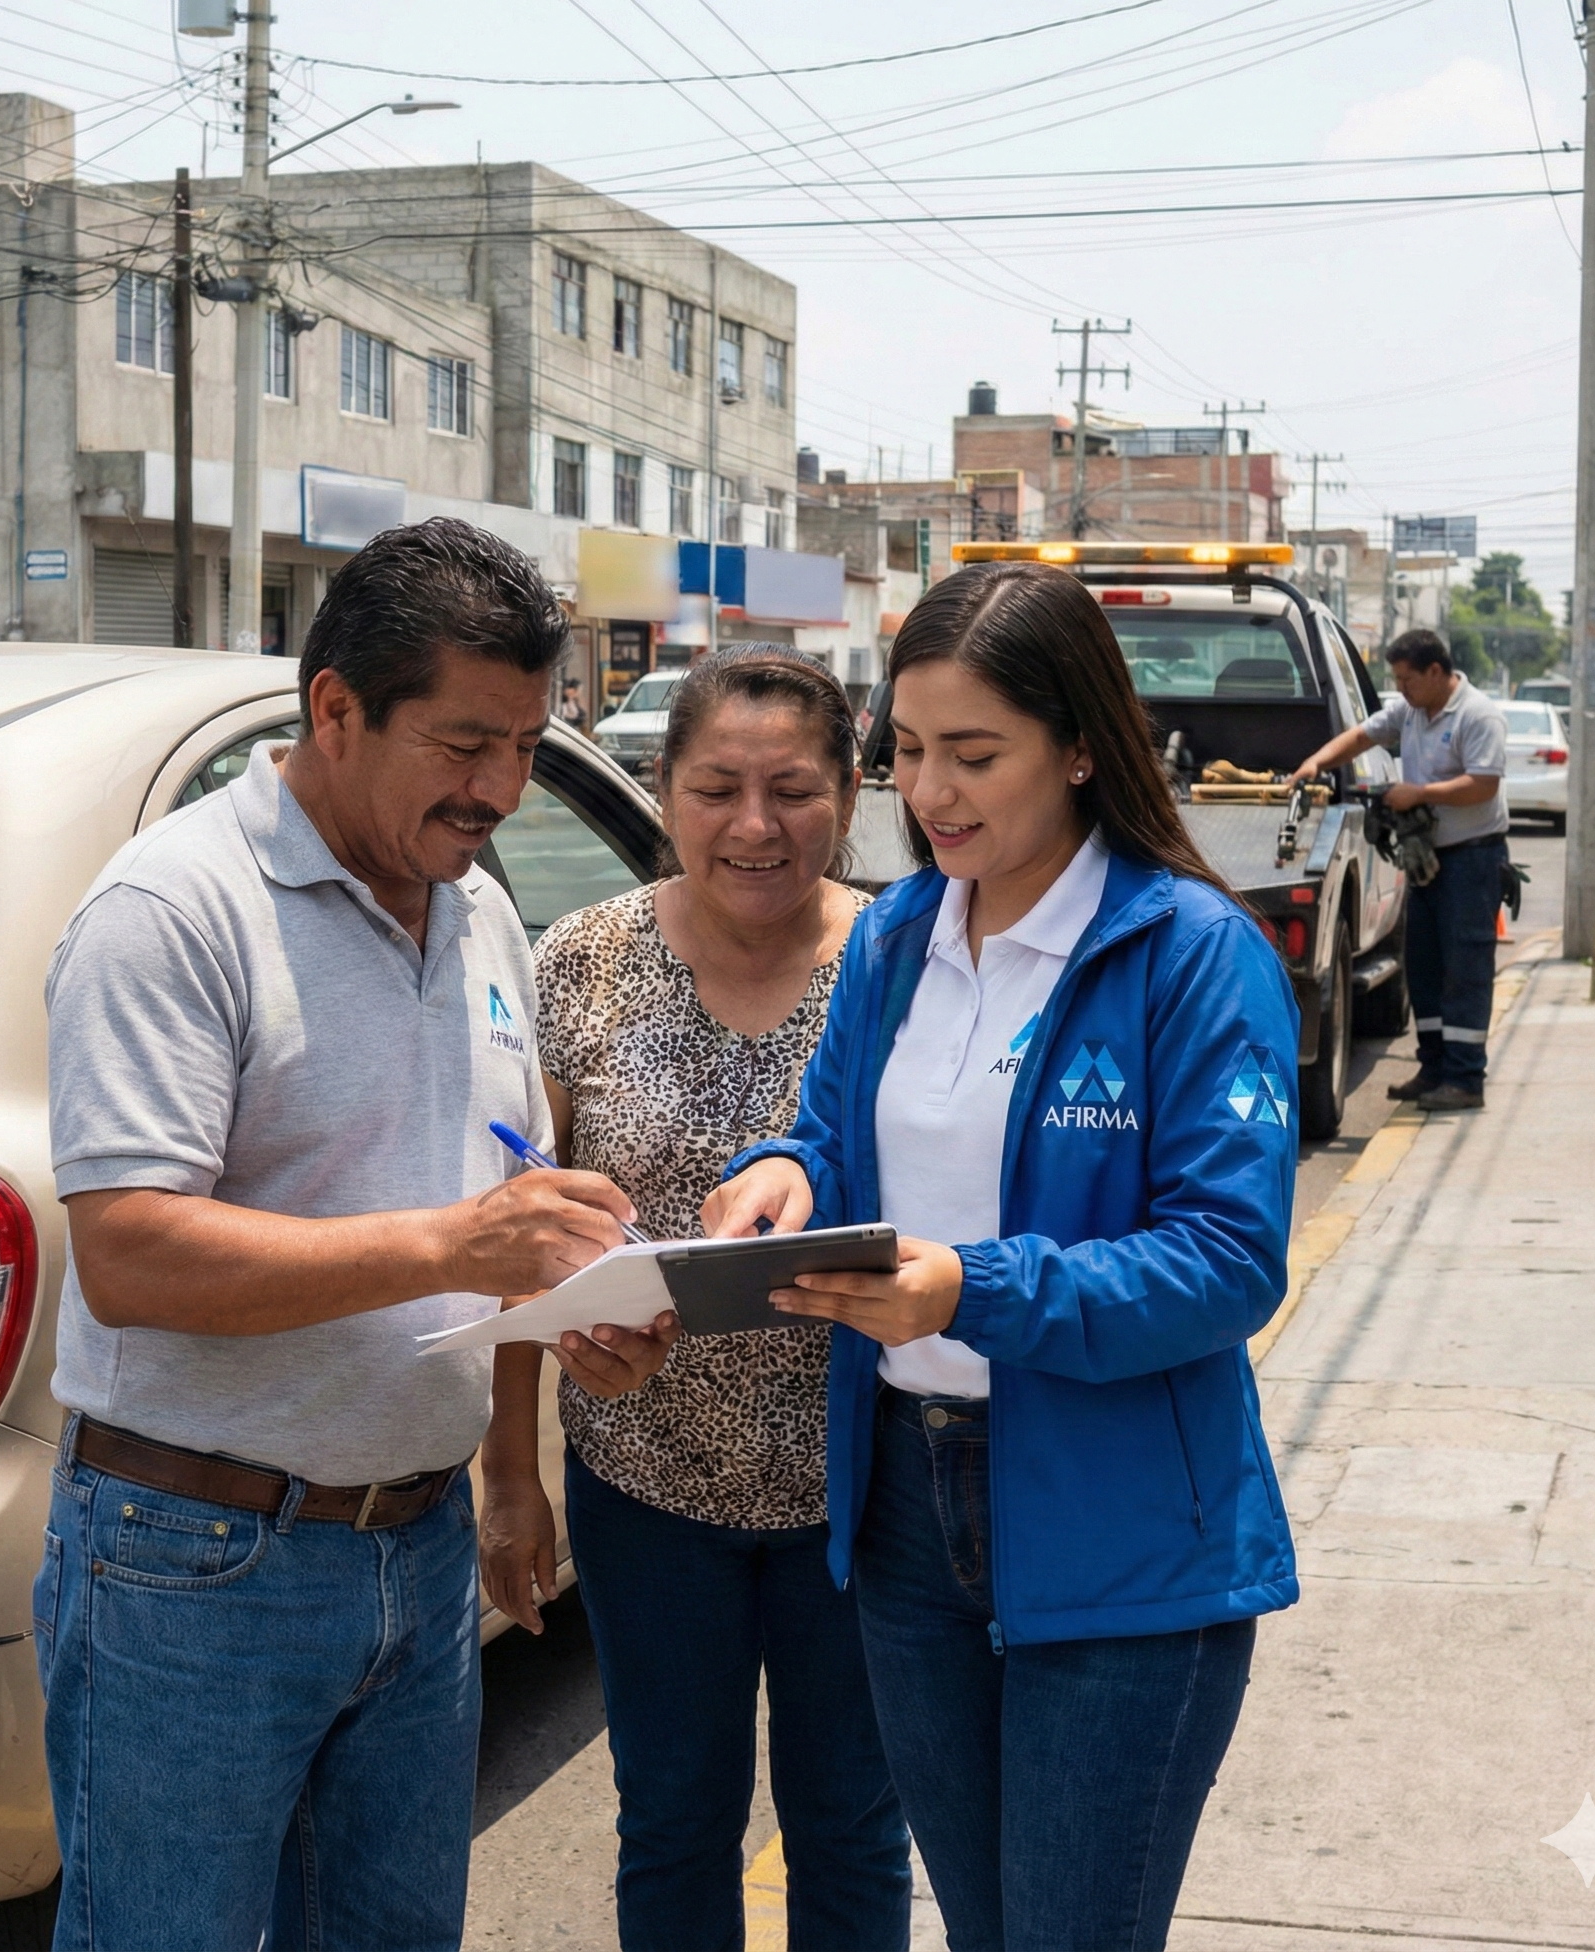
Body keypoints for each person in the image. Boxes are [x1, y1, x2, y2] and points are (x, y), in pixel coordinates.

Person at [36, 517, 678, 1952]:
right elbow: (131, 1256)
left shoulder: (481, 919)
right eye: (464, 745)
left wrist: (573, 1311)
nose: (501, 788)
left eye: (523, 744)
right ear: (334, 709)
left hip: (419, 1550)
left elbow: (488, 1207)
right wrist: (461, 1246)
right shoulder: (173, 911)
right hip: (194, 1562)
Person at [703, 562, 1302, 1952]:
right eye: (906, 754)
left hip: (1122, 1529)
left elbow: (1226, 1262)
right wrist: (779, 1176)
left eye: (975, 754)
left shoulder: (1190, 955)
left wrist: (974, 1286)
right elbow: (834, 1140)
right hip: (906, 1506)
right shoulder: (899, 936)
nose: (931, 794)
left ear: (1082, 744)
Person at [482, 646, 913, 1952]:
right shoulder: (582, 963)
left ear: (848, 794)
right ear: (664, 791)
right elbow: (525, 1228)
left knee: (851, 1828)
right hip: (646, 1491)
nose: (755, 824)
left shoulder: (908, 958)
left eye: (793, 788)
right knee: (671, 1824)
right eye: (718, 786)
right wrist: (512, 1466)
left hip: (868, 1493)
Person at [1292, 627, 1508, 1111]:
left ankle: (1465, 1079)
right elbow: (1363, 734)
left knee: (1465, 968)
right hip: (1428, 860)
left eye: (1408, 678)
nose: (1402, 687)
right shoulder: (1411, 711)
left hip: (1472, 859)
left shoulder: (1477, 715)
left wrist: (1420, 794)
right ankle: (1434, 1068)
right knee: (1425, 966)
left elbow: (1484, 785)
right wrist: (1315, 763)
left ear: (1436, 672)